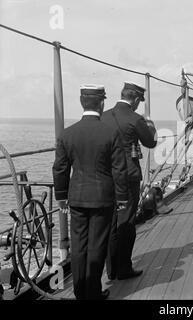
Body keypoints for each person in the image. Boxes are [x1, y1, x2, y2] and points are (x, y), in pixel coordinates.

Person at [53, 85, 128, 300]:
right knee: (97, 245)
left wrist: (61, 196)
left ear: (81, 102)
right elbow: (119, 169)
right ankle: (93, 292)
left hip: (76, 198)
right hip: (103, 199)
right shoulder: (110, 133)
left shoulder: (68, 134)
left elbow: (59, 168)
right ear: (102, 103)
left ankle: (80, 292)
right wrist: (122, 198)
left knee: (79, 246)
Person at [101, 82, 157, 281]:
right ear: (134, 99)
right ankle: (124, 268)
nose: (138, 105)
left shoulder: (104, 116)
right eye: (138, 102)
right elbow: (150, 142)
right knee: (126, 223)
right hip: (128, 176)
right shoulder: (135, 118)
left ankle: (111, 270)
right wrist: (150, 126)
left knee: (110, 222)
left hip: (107, 177)